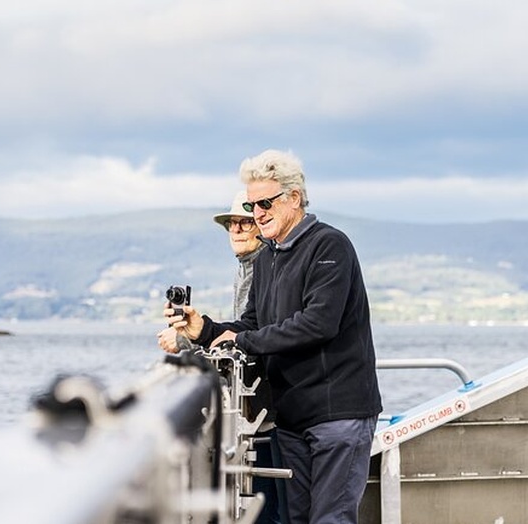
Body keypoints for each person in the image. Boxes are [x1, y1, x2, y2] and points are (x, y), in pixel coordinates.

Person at [164, 149, 382, 524]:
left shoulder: (330, 245)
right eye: (252, 206)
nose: (258, 214)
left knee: (330, 519)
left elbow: (318, 323)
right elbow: (253, 322)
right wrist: (205, 330)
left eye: (265, 203)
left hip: (338, 415)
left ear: (294, 198)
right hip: (292, 418)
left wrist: (242, 342)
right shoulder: (267, 258)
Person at [157, 190, 283, 524]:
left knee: (267, 505)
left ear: (261, 223)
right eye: (231, 224)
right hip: (257, 405)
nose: (237, 230)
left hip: (267, 406)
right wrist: (196, 335)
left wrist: (187, 341)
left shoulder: (264, 266)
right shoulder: (246, 267)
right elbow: (242, 330)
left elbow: (254, 334)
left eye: (245, 222)